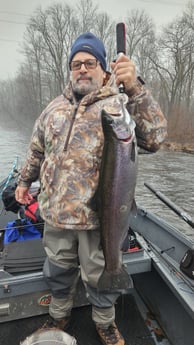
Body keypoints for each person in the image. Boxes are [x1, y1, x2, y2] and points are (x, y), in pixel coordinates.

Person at [15, 32, 167, 345]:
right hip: (56, 214)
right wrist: (23, 181)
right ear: (70, 70)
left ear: (103, 69)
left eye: (89, 62)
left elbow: (155, 139)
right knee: (57, 270)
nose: (82, 69)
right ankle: (59, 315)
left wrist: (136, 88)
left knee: (101, 276)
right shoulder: (53, 108)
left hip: (98, 218)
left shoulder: (117, 105)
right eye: (76, 64)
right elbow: (36, 148)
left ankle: (105, 322)